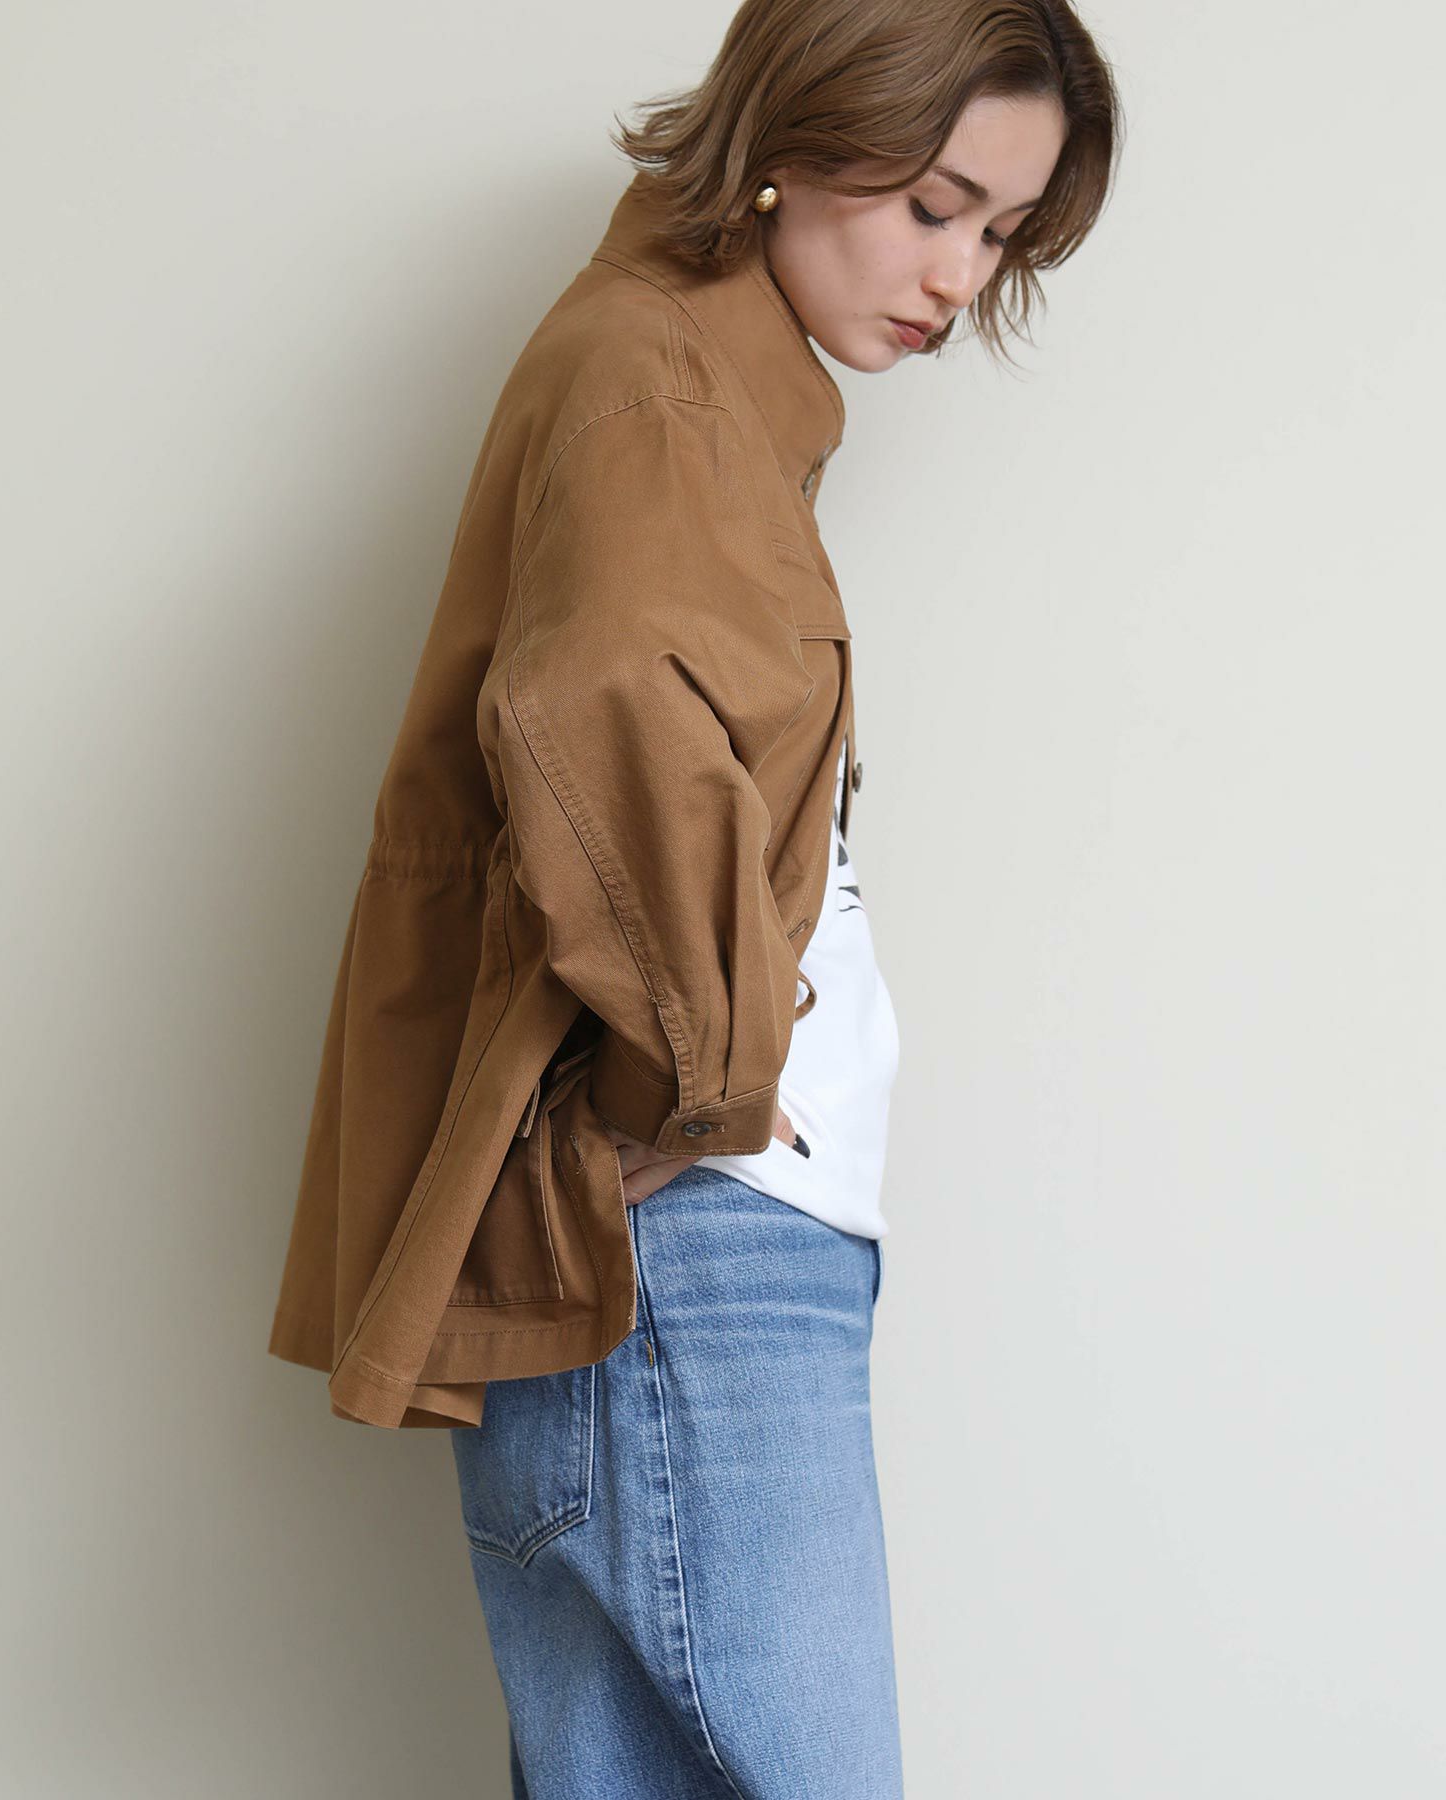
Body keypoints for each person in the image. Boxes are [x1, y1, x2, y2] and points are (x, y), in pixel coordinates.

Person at [266, 1, 1121, 1793]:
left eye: (999, 233)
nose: (959, 275)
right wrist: (709, 1083)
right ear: (801, 133)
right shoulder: (661, 388)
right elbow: (599, 707)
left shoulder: (691, 379)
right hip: (697, 1236)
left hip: (684, 1230)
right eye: (937, 206)